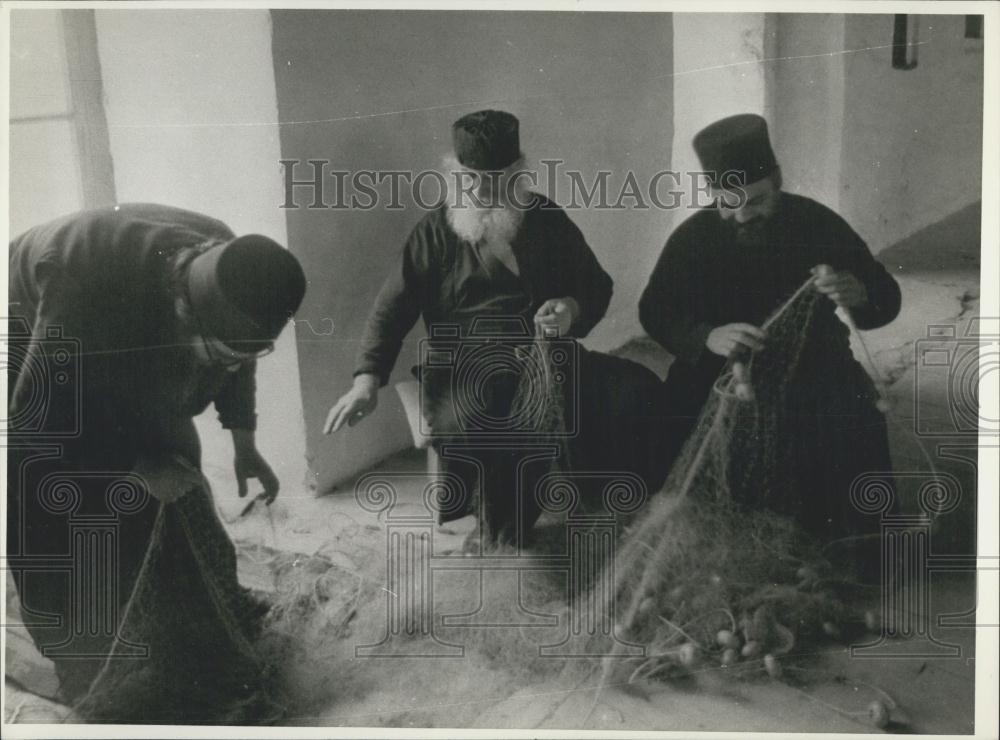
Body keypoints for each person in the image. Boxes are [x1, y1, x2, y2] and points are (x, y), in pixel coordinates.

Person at [7, 203, 307, 720]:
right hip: (26, 310)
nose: (228, 365)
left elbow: (238, 360)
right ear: (184, 311)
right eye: (218, 352)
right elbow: (32, 423)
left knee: (178, 467)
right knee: (44, 485)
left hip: (129, 308)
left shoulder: (233, 264)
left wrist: (244, 441)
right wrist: (137, 465)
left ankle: (211, 604)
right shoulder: (84, 288)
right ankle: (75, 657)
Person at [325, 110, 661, 548]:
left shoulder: (546, 218)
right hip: (464, 367)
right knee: (491, 418)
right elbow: (390, 310)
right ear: (455, 175)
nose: (484, 191)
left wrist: (570, 309)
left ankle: (617, 507)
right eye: (473, 180)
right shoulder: (434, 233)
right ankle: (502, 532)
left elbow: (595, 285)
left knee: (635, 388)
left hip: (545, 355)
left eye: (497, 180)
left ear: (518, 173)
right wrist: (366, 382)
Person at [639, 113, 901, 545]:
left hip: (814, 361)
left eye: (756, 201)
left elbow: (885, 297)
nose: (743, 215)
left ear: (777, 182)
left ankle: (848, 542)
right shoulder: (692, 238)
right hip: (720, 367)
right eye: (729, 203)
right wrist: (706, 336)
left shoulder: (818, 223)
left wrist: (859, 293)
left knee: (849, 418)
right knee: (680, 419)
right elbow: (654, 309)